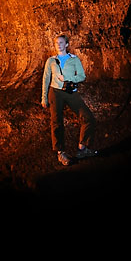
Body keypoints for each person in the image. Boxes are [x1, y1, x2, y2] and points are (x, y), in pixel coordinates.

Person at [41, 34, 97, 165]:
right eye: (56, 43)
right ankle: (61, 153)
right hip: (55, 92)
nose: (58, 44)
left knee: (88, 118)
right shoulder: (51, 61)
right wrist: (44, 97)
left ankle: (82, 148)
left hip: (71, 91)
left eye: (61, 42)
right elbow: (45, 79)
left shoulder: (74, 59)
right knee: (57, 122)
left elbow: (82, 76)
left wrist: (69, 80)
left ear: (66, 45)